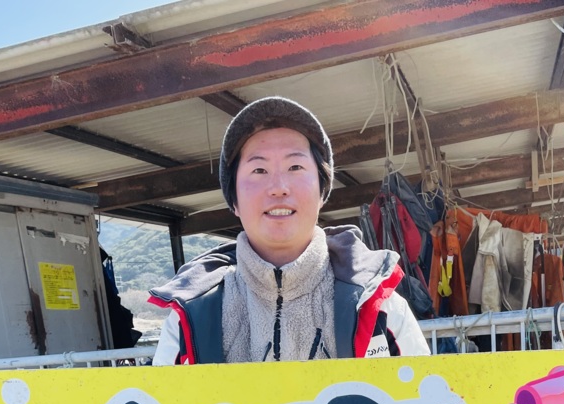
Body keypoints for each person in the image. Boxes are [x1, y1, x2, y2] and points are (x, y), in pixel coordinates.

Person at [149, 96, 431, 364]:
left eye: (295, 166)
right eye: (259, 170)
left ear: (323, 191)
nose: (279, 187)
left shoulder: (380, 306)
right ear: (233, 199)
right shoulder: (191, 317)